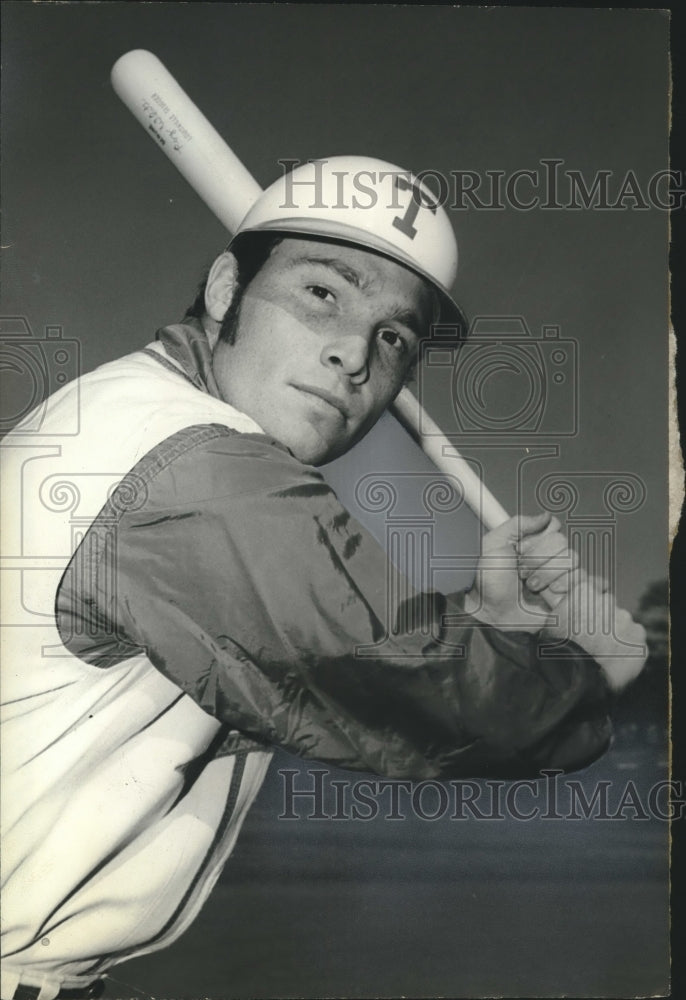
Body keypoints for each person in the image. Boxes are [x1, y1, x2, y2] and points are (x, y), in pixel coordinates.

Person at [0, 157, 646, 1000]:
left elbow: (297, 650)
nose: (353, 354)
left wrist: (493, 622)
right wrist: (591, 674)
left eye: (394, 338)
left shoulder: (132, 414)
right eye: (322, 294)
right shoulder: (188, 466)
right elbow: (412, 685)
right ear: (228, 290)